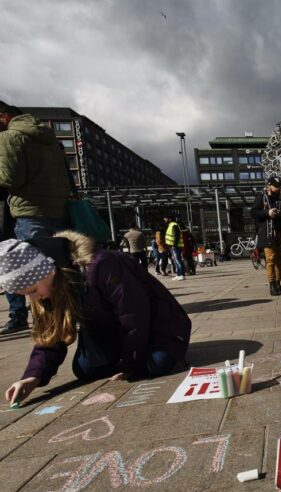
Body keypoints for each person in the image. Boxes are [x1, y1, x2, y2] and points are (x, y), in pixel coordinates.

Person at [2, 231, 191, 406]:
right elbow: (51, 334)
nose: (35, 298)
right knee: (85, 370)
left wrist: (128, 364)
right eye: (27, 295)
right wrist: (33, 376)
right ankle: (125, 355)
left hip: (153, 324)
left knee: (158, 363)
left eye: (33, 290)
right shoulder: (49, 289)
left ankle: (135, 354)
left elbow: (133, 316)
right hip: (107, 329)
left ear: (47, 270)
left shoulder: (103, 265)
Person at [0, 101, 71, 334]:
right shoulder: (51, 140)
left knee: (26, 273)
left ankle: (45, 324)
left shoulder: (11, 138)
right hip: (57, 210)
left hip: (29, 211)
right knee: (57, 271)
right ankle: (66, 316)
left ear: (3, 117)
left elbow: (10, 178)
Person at [251, 177, 281, 296]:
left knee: (280, 260)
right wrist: (267, 213)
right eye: (276, 185)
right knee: (270, 259)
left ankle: (278, 284)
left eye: (279, 185)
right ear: (269, 185)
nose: (278, 188)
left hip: (280, 233)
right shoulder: (262, 197)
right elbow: (253, 212)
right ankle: (272, 285)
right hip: (267, 233)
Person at [163, 215, 185, 281]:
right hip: (174, 246)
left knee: (178, 260)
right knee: (176, 261)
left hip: (176, 246)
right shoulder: (171, 225)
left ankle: (181, 275)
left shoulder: (174, 225)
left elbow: (177, 235)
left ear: (169, 219)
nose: (164, 220)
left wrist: (174, 245)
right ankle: (178, 274)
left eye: (165, 218)